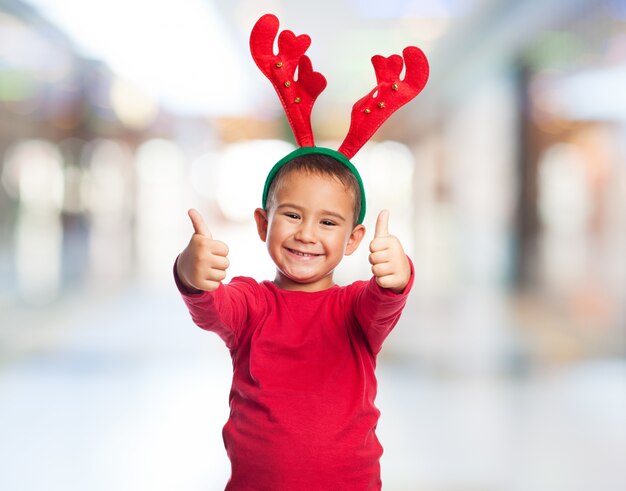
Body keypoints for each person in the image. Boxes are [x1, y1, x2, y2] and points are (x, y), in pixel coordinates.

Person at [174, 151, 414, 490]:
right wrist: (189, 271)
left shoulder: (356, 309)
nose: (306, 234)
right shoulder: (250, 302)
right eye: (292, 215)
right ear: (262, 224)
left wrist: (398, 275)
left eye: (328, 222)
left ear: (354, 239)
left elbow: (384, 300)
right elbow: (212, 306)